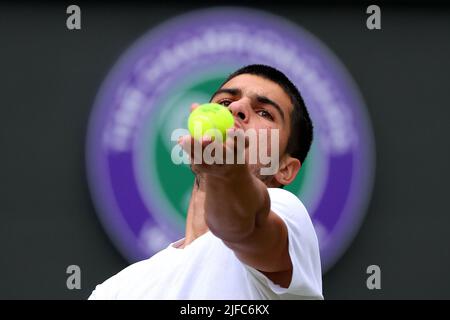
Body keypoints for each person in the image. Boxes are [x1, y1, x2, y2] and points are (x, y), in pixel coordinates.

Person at [88, 64, 323, 300]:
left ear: (285, 169)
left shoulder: (288, 213)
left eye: (264, 112)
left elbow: (245, 228)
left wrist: (228, 173)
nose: (236, 107)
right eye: (224, 102)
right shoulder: (116, 290)